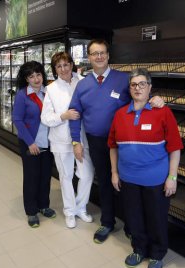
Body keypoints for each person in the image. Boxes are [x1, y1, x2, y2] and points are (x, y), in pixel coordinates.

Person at [68, 39, 165, 244]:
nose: (99, 56)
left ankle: (132, 225)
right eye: (95, 53)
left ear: (109, 55)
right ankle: (107, 221)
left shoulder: (123, 79)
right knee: (104, 182)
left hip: (126, 142)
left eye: (102, 52)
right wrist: (75, 141)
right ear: (89, 57)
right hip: (96, 142)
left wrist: (156, 100)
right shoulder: (82, 85)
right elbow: (74, 114)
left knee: (128, 184)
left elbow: (140, 95)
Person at [108, 68, 183, 268]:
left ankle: (158, 253)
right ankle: (139, 249)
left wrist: (172, 177)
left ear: (150, 87)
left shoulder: (163, 112)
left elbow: (174, 147)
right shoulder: (120, 114)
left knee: (156, 218)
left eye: (142, 84)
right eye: (134, 84)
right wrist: (114, 172)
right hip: (128, 178)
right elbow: (113, 146)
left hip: (155, 180)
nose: (138, 88)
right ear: (129, 88)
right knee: (133, 217)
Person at [41, 52, 95, 228]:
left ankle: (80, 207)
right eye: (59, 66)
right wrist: (63, 116)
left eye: (66, 64)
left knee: (87, 175)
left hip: (83, 138)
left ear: (72, 64)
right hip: (60, 140)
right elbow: (46, 118)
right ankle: (70, 211)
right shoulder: (51, 89)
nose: (63, 69)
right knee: (66, 176)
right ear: (55, 69)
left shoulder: (84, 81)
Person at [12, 61, 56, 228]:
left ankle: (44, 205)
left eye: (38, 74)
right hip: (31, 143)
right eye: (32, 76)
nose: (36, 79)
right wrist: (30, 142)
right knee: (31, 177)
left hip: (48, 142)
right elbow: (17, 119)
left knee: (45, 176)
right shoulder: (22, 95)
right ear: (26, 79)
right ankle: (31, 211)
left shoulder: (49, 92)